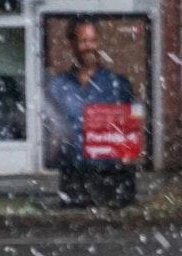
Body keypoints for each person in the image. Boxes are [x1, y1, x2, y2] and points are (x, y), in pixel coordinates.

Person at [47, 18, 135, 207]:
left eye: (93, 40)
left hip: (110, 175)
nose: (89, 46)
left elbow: (129, 131)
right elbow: (53, 127)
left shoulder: (117, 84)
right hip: (73, 175)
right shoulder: (58, 86)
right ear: (72, 44)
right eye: (83, 41)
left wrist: (126, 168)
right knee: (72, 230)